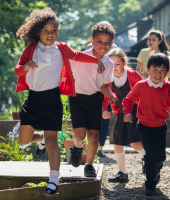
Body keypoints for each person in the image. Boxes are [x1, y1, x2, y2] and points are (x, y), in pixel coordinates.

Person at [14, 7, 105, 196]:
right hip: (33, 100)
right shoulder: (31, 49)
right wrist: (25, 66)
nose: (50, 34)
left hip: (52, 100)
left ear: (57, 32)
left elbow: (77, 55)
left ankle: (54, 181)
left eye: (53, 30)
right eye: (45, 30)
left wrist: (96, 60)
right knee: (23, 141)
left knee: (52, 142)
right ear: (38, 31)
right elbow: (17, 71)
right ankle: (39, 140)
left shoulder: (61, 48)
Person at [123, 53, 170, 196]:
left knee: (160, 156)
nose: (158, 74)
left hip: (160, 126)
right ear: (148, 70)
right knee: (150, 154)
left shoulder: (168, 87)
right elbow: (128, 100)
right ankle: (150, 184)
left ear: (167, 72)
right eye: (155, 69)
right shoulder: (141, 85)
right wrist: (127, 113)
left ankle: (156, 169)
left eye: (162, 71)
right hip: (144, 126)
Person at [69, 22, 117, 177]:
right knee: (80, 135)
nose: (103, 45)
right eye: (99, 41)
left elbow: (104, 86)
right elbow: (67, 70)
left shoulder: (109, 64)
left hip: (95, 98)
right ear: (92, 41)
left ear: (112, 43)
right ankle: (77, 145)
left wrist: (111, 94)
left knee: (94, 135)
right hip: (77, 97)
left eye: (107, 42)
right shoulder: (81, 57)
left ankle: (89, 165)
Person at [102, 48, 145, 183]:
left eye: (118, 64)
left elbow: (144, 94)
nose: (114, 67)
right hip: (121, 112)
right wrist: (104, 110)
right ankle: (123, 173)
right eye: (111, 64)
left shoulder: (133, 75)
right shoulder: (108, 78)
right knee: (117, 140)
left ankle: (148, 158)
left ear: (124, 63)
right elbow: (105, 97)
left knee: (134, 142)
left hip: (136, 111)